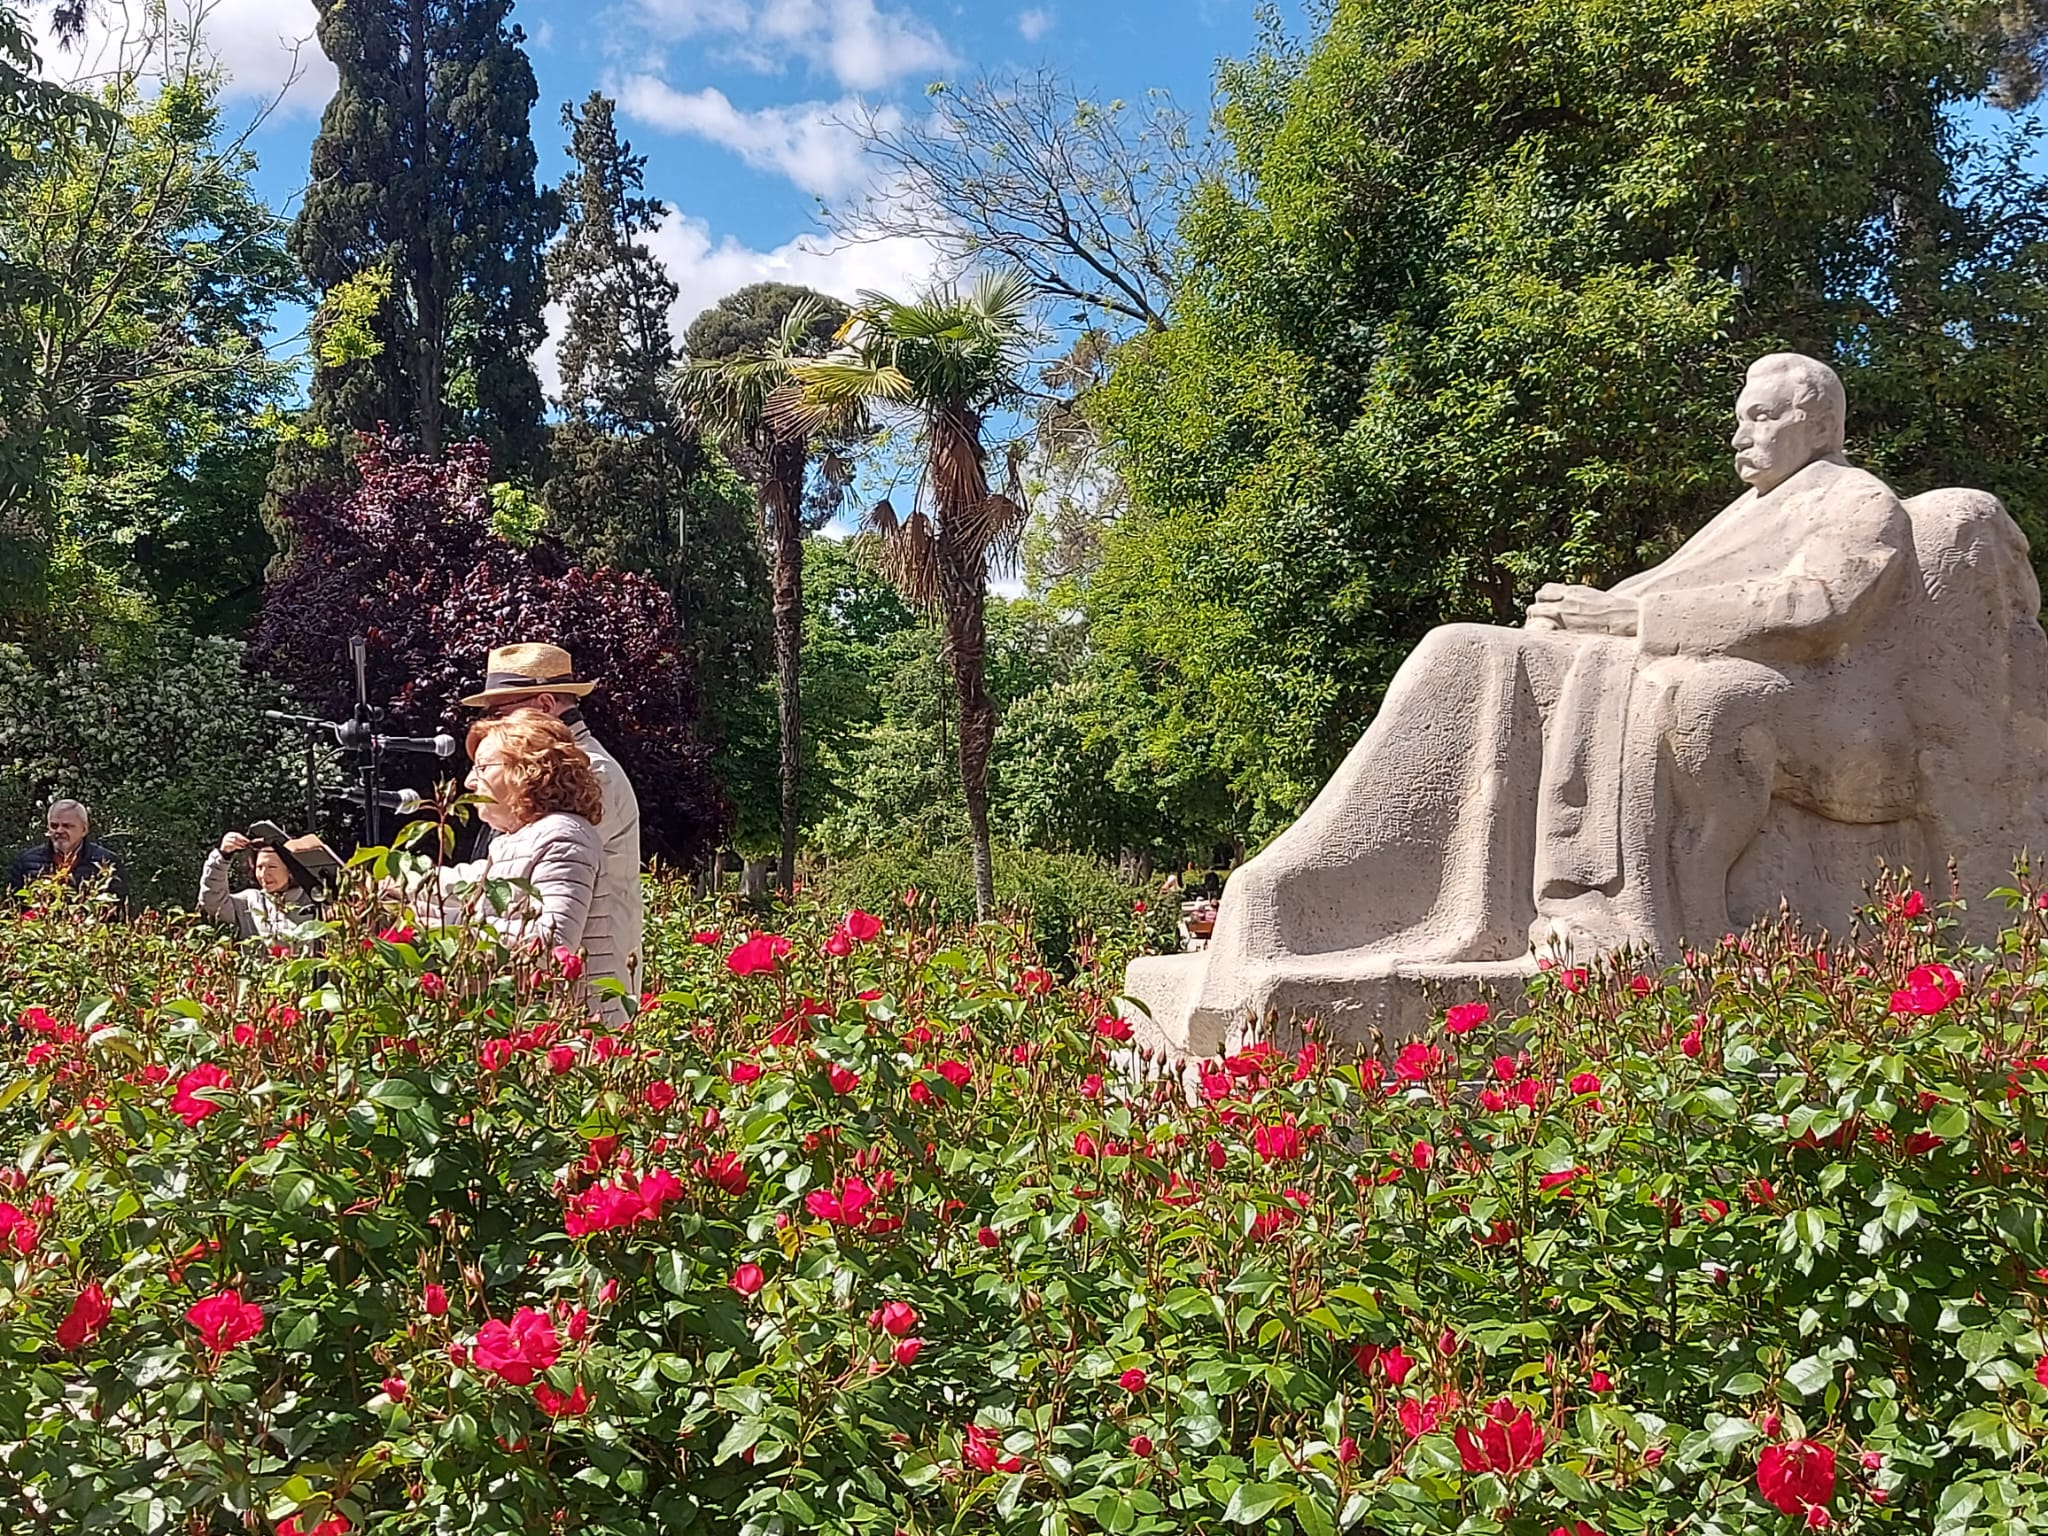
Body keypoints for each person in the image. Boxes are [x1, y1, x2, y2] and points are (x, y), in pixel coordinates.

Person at [461, 642, 643, 999]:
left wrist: (444, 918)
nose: (492, 725)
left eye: (498, 713)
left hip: (586, 985)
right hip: (548, 982)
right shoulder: (545, 770)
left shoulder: (590, 773)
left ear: (545, 705)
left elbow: (520, 887)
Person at [415, 713, 619, 1022]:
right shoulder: (519, 838)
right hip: (537, 1025)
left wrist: (451, 925)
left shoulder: (562, 835)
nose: (470, 781)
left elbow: (553, 945)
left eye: (482, 767)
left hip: (571, 1032)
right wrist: (393, 882)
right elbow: (461, 881)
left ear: (528, 769)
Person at [198, 831, 319, 941]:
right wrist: (222, 855)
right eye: (259, 867)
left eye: (272, 867)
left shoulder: (313, 902)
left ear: (291, 870)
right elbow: (212, 901)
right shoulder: (250, 902)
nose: (264, 874)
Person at [12, 799, 127, 906]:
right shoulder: (28, 861)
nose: (59, 831)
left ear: (84, 829)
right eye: (54, 826)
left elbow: (118, 908)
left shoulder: (106, 862)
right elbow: (15, 906)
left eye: (67, 826)